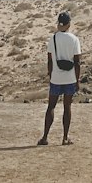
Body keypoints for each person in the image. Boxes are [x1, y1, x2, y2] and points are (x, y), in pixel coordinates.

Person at [38, 10, 81, 145]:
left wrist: (51, 75)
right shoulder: (74, 39)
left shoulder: (53, 38)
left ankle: (45, 137)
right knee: (67, 107)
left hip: (56, 78)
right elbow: (77, 62)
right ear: (69, 24)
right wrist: (77, 79)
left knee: (51, 106)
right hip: (70, 78)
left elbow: (50, 60)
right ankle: (65, 137)